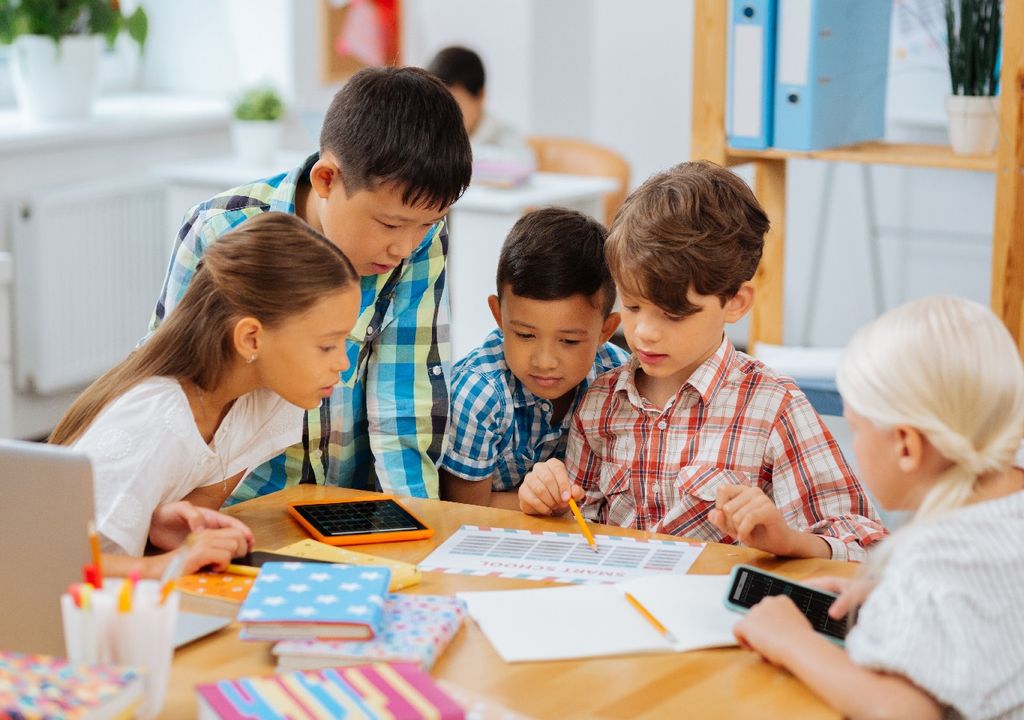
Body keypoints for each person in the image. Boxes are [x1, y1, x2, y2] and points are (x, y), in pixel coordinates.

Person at [518, 161, 885, 561]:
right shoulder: (601, 402)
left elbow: (867, 547)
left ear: (736, 302)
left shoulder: (773, 408)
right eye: (635, 305)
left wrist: (789, 540)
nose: (644, 332)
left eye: (673, 314)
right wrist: (548, 502)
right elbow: (579, 531)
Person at [150, 66, 472, 502]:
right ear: (326, 179)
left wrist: (414, 518)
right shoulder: (220, 231)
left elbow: (404, 404)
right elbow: (177, 391)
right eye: (390, 223)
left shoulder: (419, 242)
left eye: (428, 224)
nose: (405, 246)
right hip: (235, 505)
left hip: (350, 505)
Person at [734, 296, 1024, 720]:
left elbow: (902, 711)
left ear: (906, 446)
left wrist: (792, 642)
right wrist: (897, 601)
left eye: (856, 428)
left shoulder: (928, 558)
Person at [50, 213, 362, 578]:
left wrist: (157, 525)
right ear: (251, 339)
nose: (343, 362)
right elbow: (45, 565)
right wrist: (167, 565)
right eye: (327, 346)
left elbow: (185, 521)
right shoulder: (156, 419)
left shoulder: (263, 400)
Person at [440, 208, 628, 509]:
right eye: (526, 335)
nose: (545, 361)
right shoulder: (479, 395)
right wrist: (537, 506)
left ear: (606, 330)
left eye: (569, 341)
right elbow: (464, 508)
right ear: (499, 316)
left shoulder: (618, 380)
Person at [426, 45, 533, 161]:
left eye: (455, 104)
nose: (447, 113)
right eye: (439, 104)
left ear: (480, 96)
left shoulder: (504, 136)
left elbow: (525, 162)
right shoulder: (426, 136)